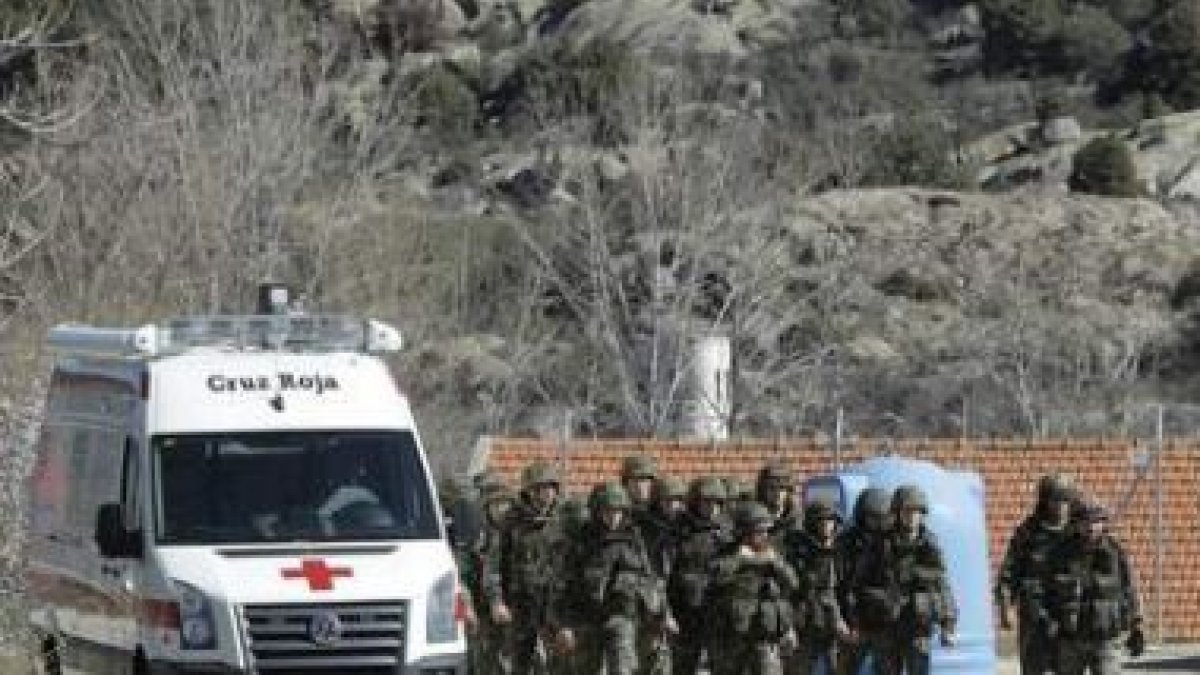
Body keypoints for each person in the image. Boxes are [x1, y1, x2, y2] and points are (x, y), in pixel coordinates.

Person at [554, 482, 673, 675]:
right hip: (586, 618)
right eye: (607, 511)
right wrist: (565, 624)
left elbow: (651, 579)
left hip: (623, 617)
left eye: (618, 511)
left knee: (623, 668)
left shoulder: (635, 539)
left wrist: (663, 615)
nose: (613, 517)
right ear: (597, 511)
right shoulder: (582, 541)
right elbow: (565, 584)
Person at [855, 485, 956, 675]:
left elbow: (942, 586)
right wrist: (865, 616)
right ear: (897, 513)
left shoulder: (929, 546)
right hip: (886, 627)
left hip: (917, 628)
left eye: (917, 512)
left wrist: (948, 624)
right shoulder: (880, 544)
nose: (912, 517)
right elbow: (860, 584)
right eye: (907, 511)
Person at [482, 460, 571, 674]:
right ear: (528, 491)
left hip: (555, 607)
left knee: (561, 665)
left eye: (549, 487)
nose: (545, 493)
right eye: (539, 488)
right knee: (519, 665)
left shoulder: (567, 519)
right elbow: (493, 566)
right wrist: (496, 601)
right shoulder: (511, 522)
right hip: (521, 606)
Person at [996, 472, 1079, 674]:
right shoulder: (1028, 533)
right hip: (1035, 617)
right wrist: (1005, 608)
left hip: (1069, 616)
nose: (1060, 506)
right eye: (1055, 500)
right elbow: (1009, 572)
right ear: (1045, 501)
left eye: (1065, 500)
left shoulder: (1081, 532)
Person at [1048, 502, 1143, 675]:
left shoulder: (1115, 552)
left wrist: (1137, 626)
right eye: (1086, 522)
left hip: (1106, 638)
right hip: (1070, 639)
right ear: (1076, 524)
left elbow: (1129, 589)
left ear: (1103, 524)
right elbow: (1047, 592)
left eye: (1096, 521)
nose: (1091, 527)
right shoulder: (1060, 554)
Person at [708, 503, 800, 675]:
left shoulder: (772, 554)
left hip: (763, 634)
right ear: (744, 531)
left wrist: (776, 563)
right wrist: (739, 559)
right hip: (732, 636)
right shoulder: (727, 553)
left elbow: (793, 583)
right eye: (759, 531)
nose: (764, 535)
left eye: (766, 531)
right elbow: (715, 579)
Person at [669, 476, 734, 674]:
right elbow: (667, 572)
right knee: (683, 666)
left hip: (718, 612)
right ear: (696, 501)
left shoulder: (728, 530)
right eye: (707, 501)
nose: (712, 507)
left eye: (717, 502)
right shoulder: (679, 529)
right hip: (686, 612)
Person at [787, 498, 851, 675]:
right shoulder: (800, 550)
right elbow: (797, 590)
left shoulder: (840, 548)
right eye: (821, 520)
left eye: (830, 520)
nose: (826, 525)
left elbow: (843, 588)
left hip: (831, 626)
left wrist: (845, 619)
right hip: (806, 622)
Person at [837, 487, 892, 675]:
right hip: (854, 620)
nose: (875, 523)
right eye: (871, 517)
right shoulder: (846, 543)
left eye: (880, 518)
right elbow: (840, 582)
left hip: (883, 622)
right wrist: (846, 620)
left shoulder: (892, 544)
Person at [755, 461, 802, 549]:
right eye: (772, 488)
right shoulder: (755, 518)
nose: (777, 493)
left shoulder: (796, 519)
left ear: (789, 491)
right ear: (763, 491)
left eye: (782, 488)